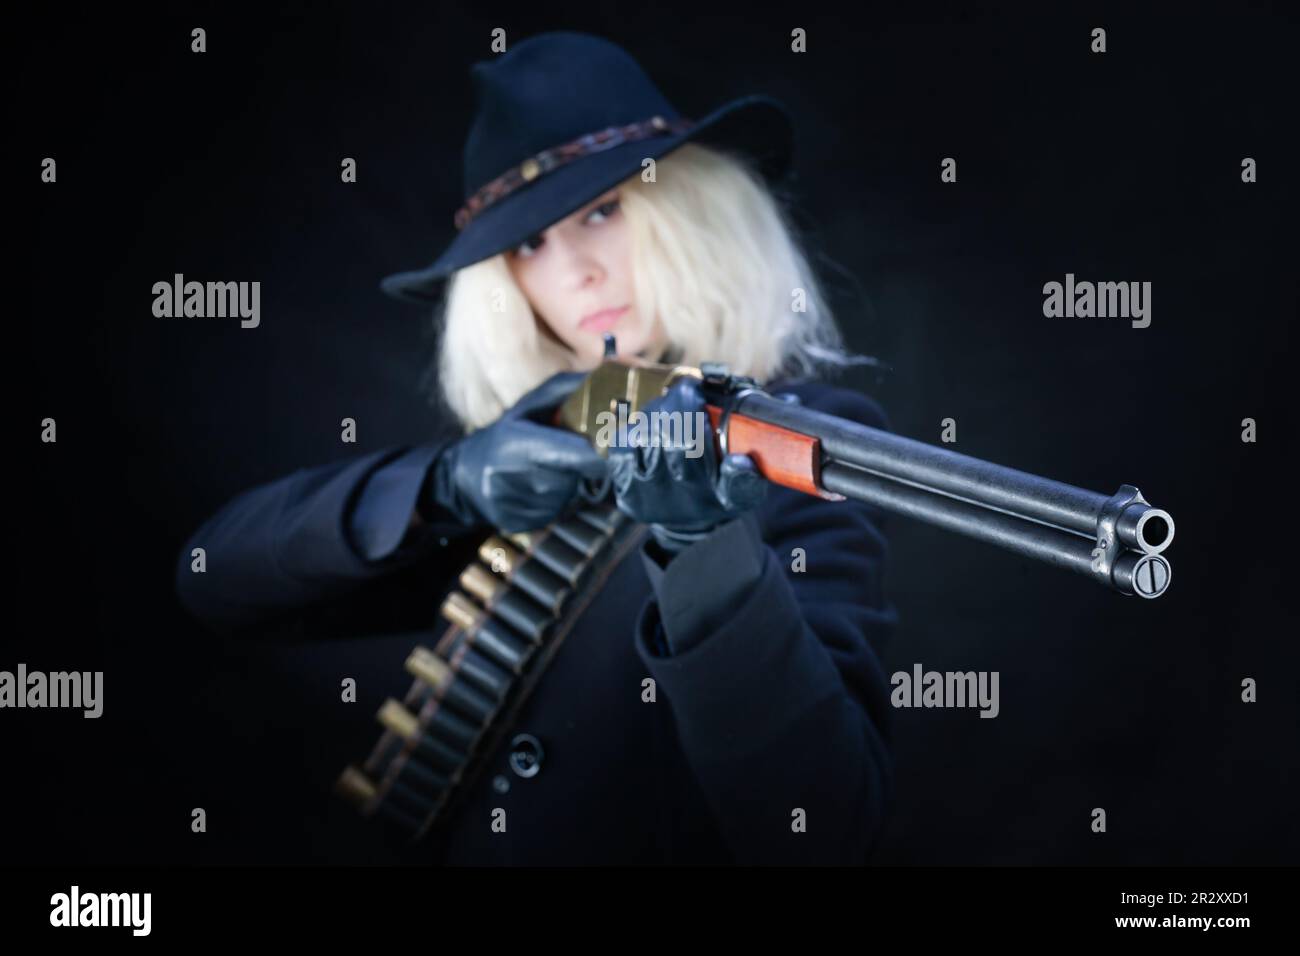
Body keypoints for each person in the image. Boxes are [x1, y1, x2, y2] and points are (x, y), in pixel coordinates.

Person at [175, 30, 900, 865]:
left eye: (601, 210)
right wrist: (449, 488)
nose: (574, 272)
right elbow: (213, 578)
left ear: (693, 209)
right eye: (528, 242)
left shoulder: (798, 439)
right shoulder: (542, 441)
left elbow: (821, 825)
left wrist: (709, 558)